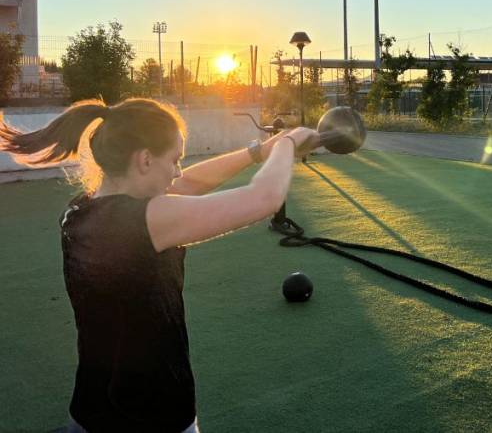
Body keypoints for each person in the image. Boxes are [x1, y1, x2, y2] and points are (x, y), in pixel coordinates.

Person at [0, 98, 320, 432]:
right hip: (154, 414)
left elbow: (188, 184)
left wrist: (258, 151)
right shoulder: (146, 221)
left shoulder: (81, 210)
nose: (179, 170)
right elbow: (264, 198)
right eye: (175, 159)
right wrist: (288, 141)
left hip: (91, 411)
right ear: (145, 160)